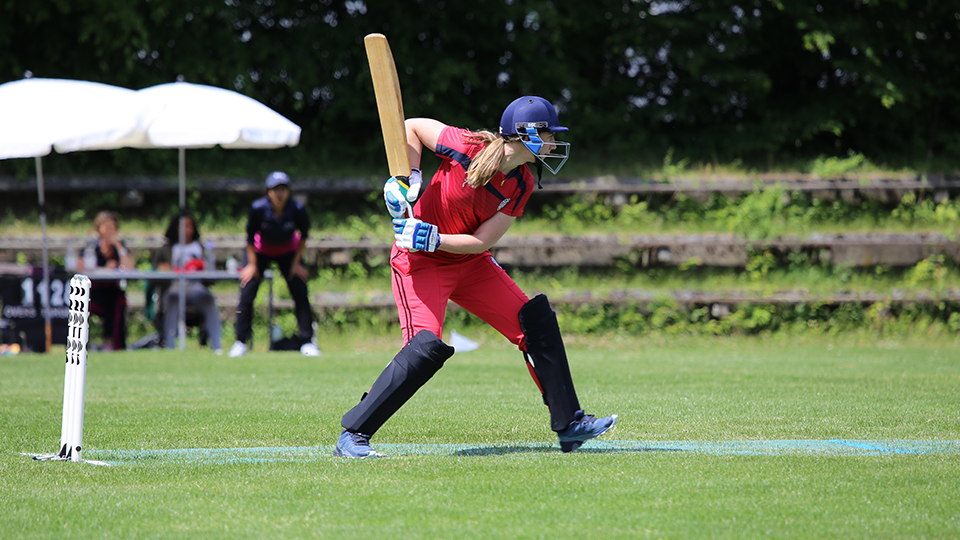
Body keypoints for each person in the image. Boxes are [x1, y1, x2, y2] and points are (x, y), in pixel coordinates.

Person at [334, 96, 617, 458]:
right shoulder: (467, 146)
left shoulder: (522, 183)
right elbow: (412, 127)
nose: (553, 143)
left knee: (535, 321)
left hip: (469, 261)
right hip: (418, 262)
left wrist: (435, 236)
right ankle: (353, 435)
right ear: (525, 134)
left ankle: (569, 425)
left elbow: (481, 241)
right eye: (548, 134)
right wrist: (409, 176)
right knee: (424, 348)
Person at [228, 171, 320, 357]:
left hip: (289, 252)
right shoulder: (258, 208)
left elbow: (304, 237)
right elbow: (249, 239)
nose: (280, 193)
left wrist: (295, 264)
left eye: (283, 189)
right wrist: (252, 265)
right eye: (275, 189)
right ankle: (240, 341)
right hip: (260, 252)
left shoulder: (297, 209)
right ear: (268, 192)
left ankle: (307, 341)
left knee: (300, 291)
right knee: (246, 293)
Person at [152, 212, 222, 353]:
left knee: (208, 300)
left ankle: (217, 346)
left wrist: (201, 266)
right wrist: (171, 268)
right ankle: (170, 346)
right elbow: (157, 269)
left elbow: (210, 274)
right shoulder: (168, 248)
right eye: (183, 226)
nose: (187, 230)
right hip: (174, 287)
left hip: (196, 288)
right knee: (172, 301)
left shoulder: (201, 247)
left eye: (190, 226)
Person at [76, 210, 134, 351]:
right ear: (99, 228)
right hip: (93, 290)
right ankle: (83, 344)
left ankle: (114, 343)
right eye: (106, 227)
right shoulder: (90, 247)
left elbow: (130, 268)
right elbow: (80, 268)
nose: (109, 231)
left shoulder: (119, 248)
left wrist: (119, 247)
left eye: (112, 227)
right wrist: (103, 268)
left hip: (112, 291)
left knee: (116, 301)